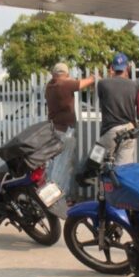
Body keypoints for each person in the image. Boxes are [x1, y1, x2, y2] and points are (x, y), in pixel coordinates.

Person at [44, 62, 95, 203]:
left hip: (53, 129)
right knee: (62, 165)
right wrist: (93, 78)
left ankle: (47, 196)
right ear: (66, 74)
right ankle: (56, 199)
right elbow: (84, 82)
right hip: (65, 131)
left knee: (54, 164)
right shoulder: (64, 84)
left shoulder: (49, 86)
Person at [97, 52, 139, 165]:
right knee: (123, 169)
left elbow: (102, 100)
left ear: (112, 68)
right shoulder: (134, 85)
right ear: (127, 68)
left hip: (110, 132)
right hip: (128, 130)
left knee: (94, 163)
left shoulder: (102, 84)